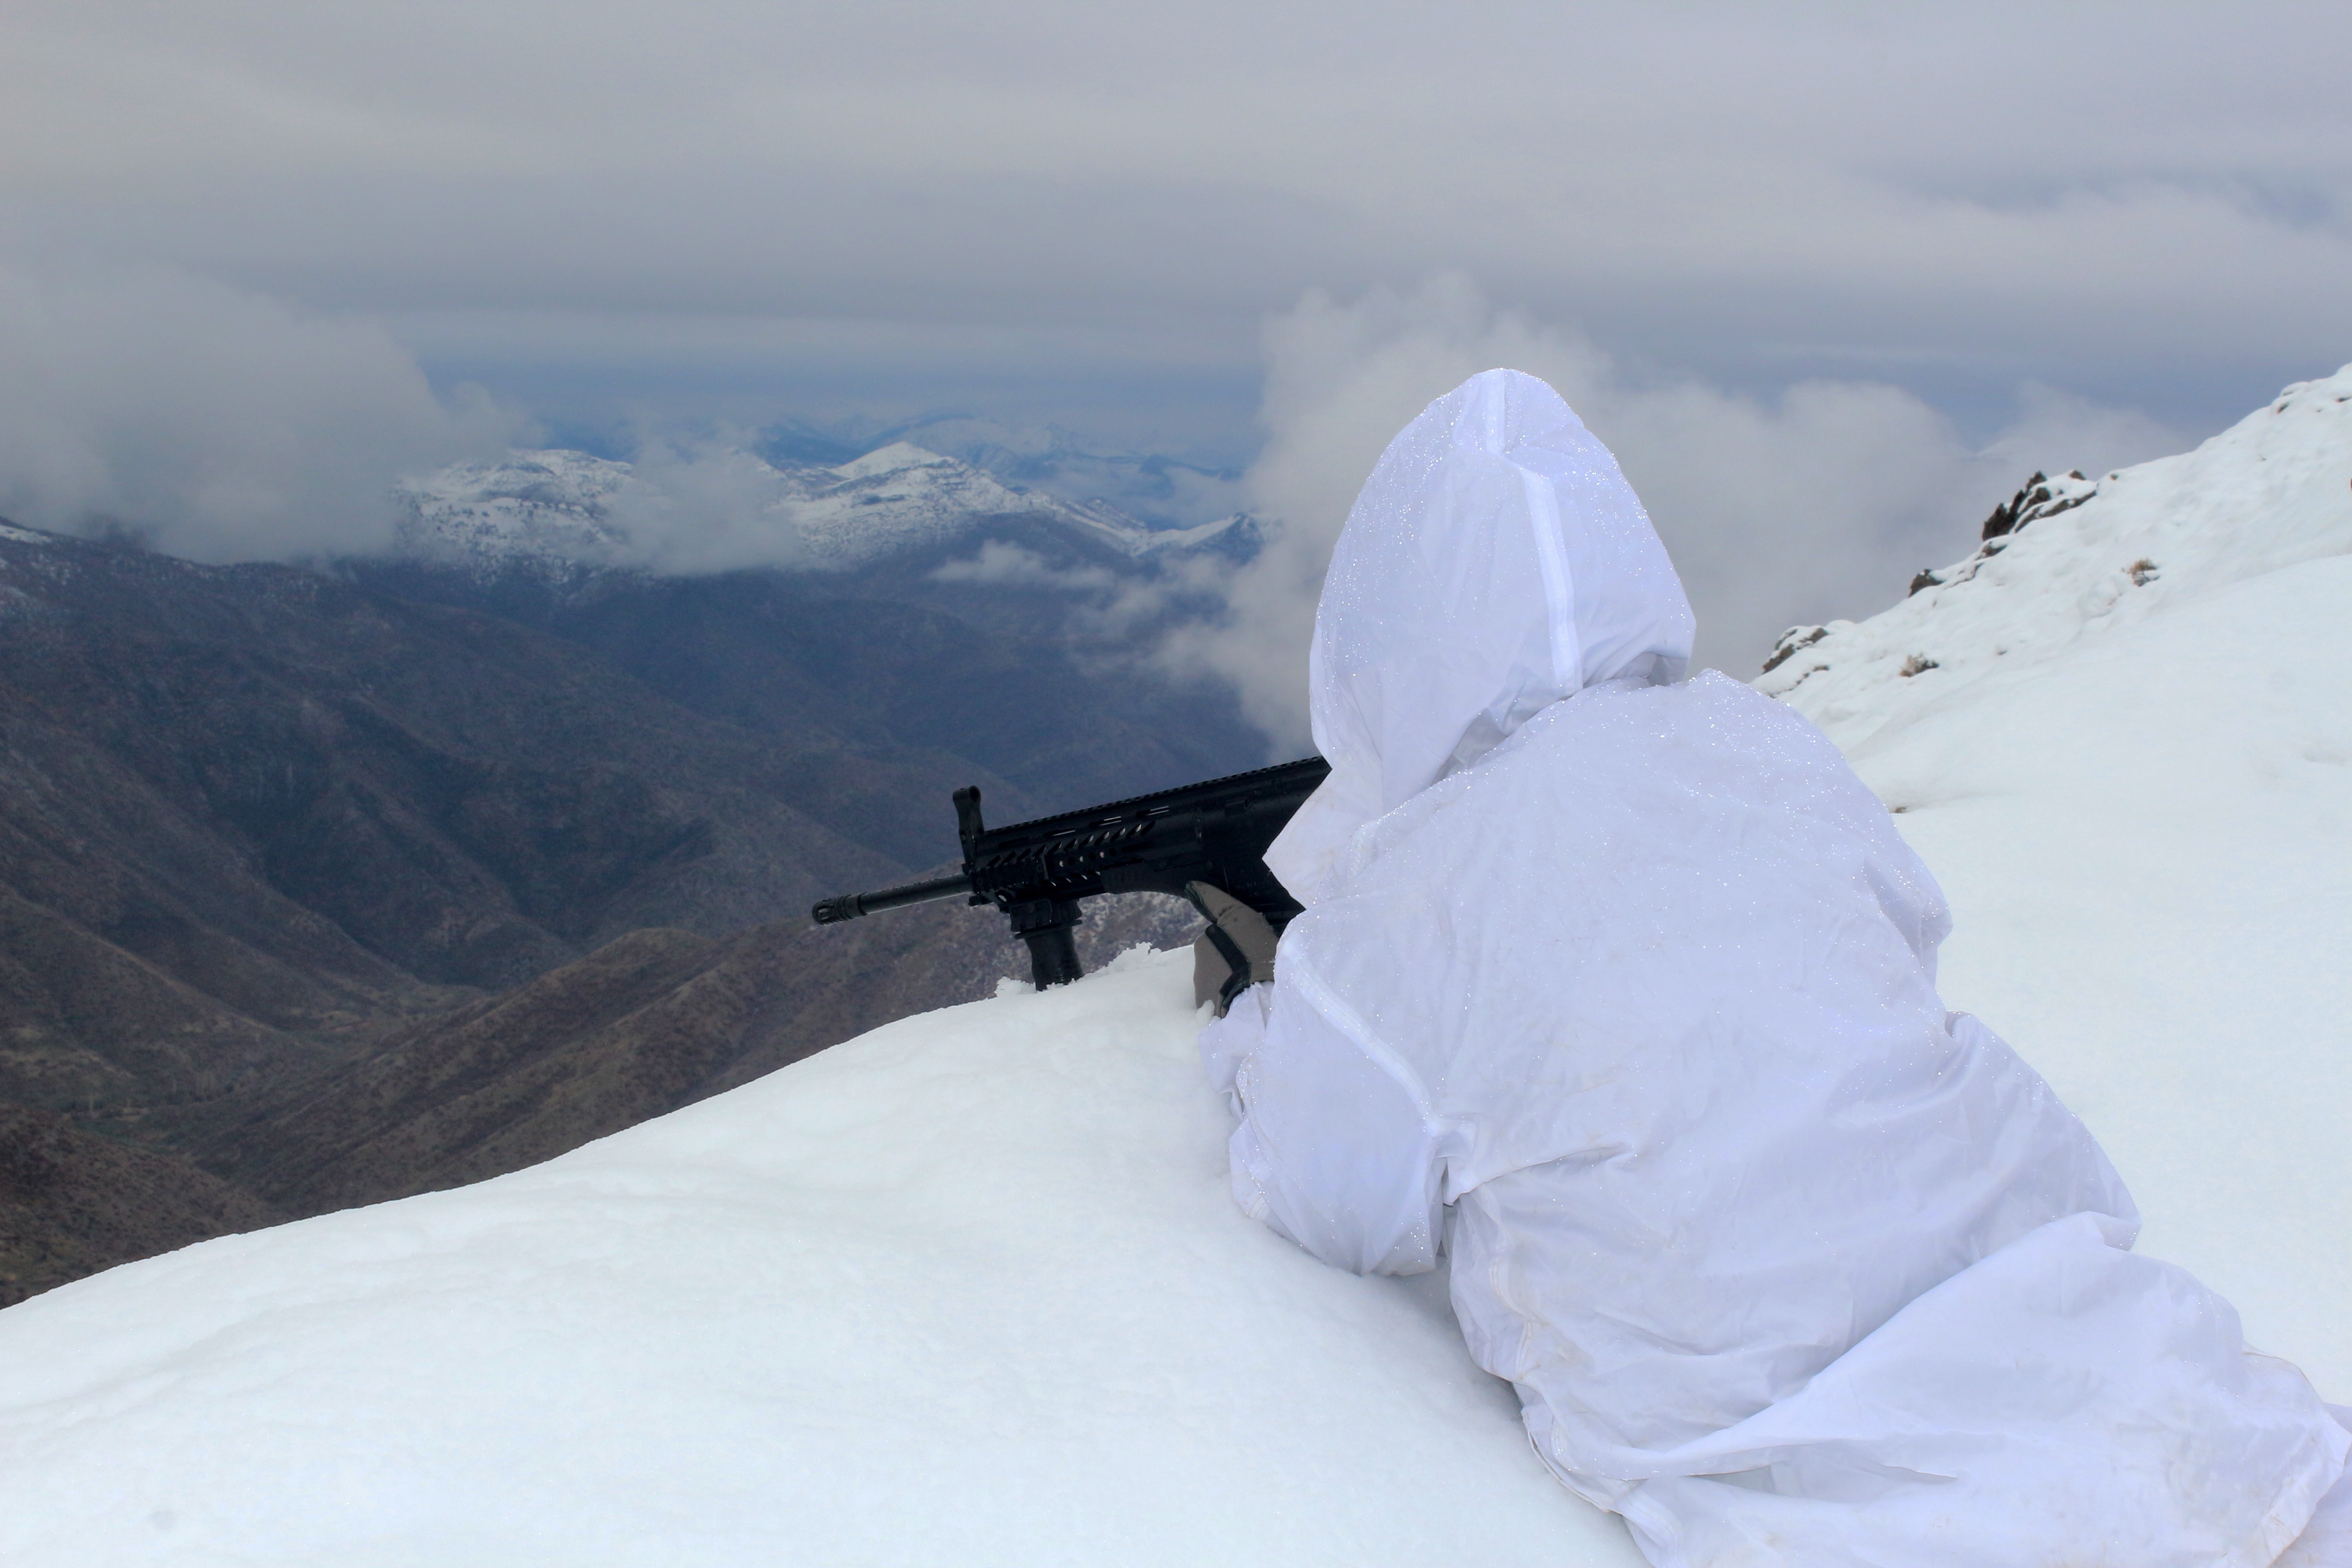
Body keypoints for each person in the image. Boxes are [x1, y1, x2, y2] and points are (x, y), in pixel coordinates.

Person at [1188, 369, 2348, 1567]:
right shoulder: (1762, 743)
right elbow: (1899, 944)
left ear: (1393, 644)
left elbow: (1327, 1196)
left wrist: (1255, 1036)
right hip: (2067, 1313)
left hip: (1799, 1450)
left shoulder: (1404, 904)